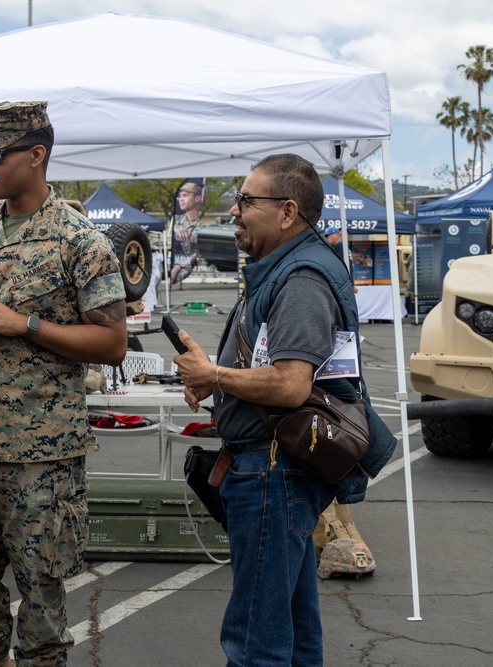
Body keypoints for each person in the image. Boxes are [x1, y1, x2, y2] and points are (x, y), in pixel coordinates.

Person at [0, 101, 127, 667]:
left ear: (36, 155)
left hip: (42, 453)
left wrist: (29, 325)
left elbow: (112, 343)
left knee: (41, 596)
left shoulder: (80, 241)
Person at [173, 154, 364, 665]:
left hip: (272, 474)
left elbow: (289, 385)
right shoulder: (286, 269)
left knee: (257, 638)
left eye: (246, 200)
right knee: (292, 633)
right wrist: (218, 382)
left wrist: (214, 376)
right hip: (274, 472)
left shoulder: (301, 279)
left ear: (287, 212)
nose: (234, 210)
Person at [170, 181, 203, 284]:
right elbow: (166, 230)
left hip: (196, 265)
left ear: (197, 198)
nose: (181, 199)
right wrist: (175, 227)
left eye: (185, 195)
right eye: (180, 196)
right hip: (179, 261)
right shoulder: (177, 219)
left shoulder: (203, 221)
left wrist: (180, 266)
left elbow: (200, 251)